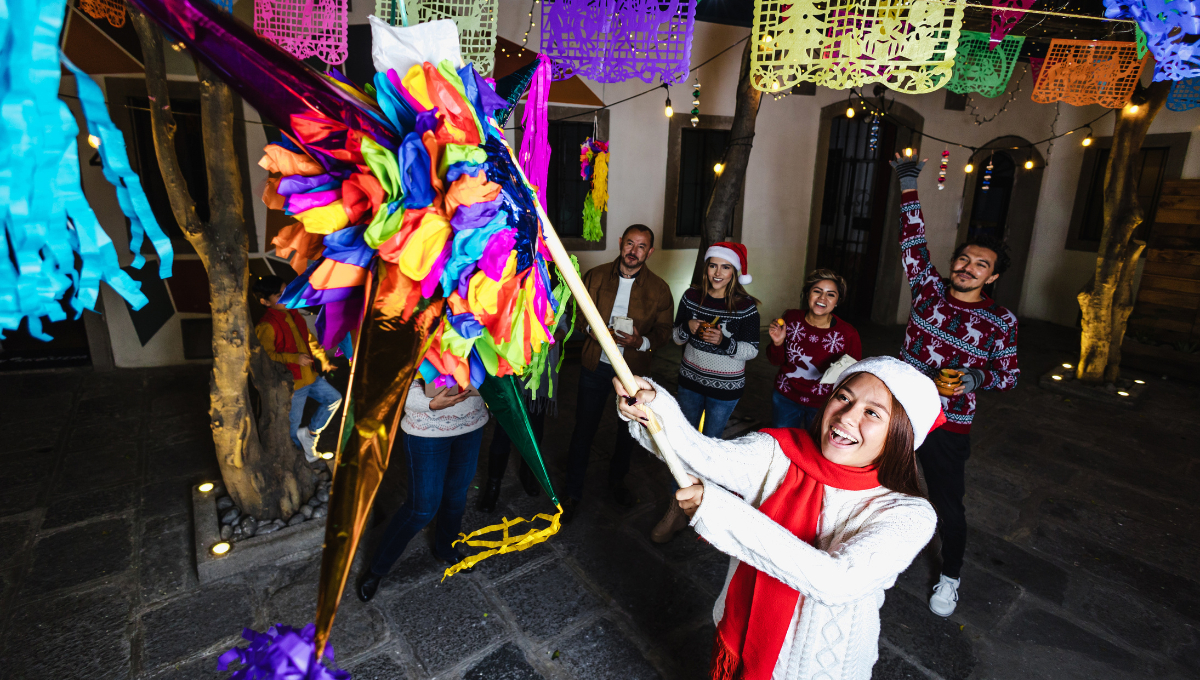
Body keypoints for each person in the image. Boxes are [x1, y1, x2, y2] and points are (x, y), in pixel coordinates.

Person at [614, 356, 941, 680]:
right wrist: (654, 409)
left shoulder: (908, 515)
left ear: (901, 434)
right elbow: (705, 457)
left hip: (817, 668)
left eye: (872, 412)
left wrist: (722, 510)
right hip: (740, 629)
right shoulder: (780, 451)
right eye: (843, 396)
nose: (846, 417)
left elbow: (838, 580)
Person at [890, 154, 1020, 618]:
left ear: (993, 275)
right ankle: (875, 554)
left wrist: (975, 377)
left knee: (948, 502)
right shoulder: (927, 288)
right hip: (901, 407)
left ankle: (950, 577)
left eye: (979, 264)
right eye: (963, 259)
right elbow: (913, 239)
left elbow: (1008, 375)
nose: (967, 267)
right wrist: (908, 184)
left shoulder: (999, 321)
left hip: (950, 420)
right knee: (877, 482)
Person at [650, 242, 760, 543]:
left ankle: (704, 511)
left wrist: (723, 341)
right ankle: (675, 509)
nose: (718, 273)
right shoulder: (691, 297)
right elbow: (675, 338)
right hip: (690, 381)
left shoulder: (744, 306)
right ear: (706, 267)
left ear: (735, 271)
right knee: (681, 446)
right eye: (713, 265)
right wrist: (688, 325)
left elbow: (751, 351)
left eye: (725, 267)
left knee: (710, 449)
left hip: (725, 389)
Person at [563, 224, 674, 522]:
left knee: (627, 433)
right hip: (594, 366)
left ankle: (617, 482)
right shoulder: (596, 276)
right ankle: (572, 491)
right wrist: (594, 332)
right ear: (620, 243)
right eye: (629, 243)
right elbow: (575, 311)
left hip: (633, 375)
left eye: (641, 246)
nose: (633, 251)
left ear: (649, 252)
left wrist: (641, 342)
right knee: (583, 428)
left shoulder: (660, 288)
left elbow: (664, 331)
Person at [357, 378, 488, 601]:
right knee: (422, 508)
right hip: (426, 428)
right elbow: (387, 378)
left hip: (471, 423)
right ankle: (377, 568)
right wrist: (425, 403)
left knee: (456, 495)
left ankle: (446, 550)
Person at [477, 313, 568, 512]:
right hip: (513, 372)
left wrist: (554, 337)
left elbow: (564, 326)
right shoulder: (513, 287)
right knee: (503, 433)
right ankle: (493, 486)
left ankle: (528, 475)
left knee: (534, 430)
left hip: (540, 375)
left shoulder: (553, 291)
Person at [253, 276, 342, 463]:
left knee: (334, 399)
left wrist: (323, 359)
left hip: (311, 375)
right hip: (294, 384)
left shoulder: (293, 313)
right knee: (291, 426)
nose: (287, 296)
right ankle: (298, 459)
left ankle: (310, 435)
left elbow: (308, 338)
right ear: (265, 302)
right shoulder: (266, 325)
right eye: (279, 294)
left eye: (288, 291)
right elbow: (265, 357)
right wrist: (294, 358)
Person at [768, 269, 862, 429]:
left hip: (823, 404)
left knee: (816, 448)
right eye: (817, 291)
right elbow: (775, 360)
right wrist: (777, 343)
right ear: (807, 294)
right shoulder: (790, 318)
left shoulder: (848, 334)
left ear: (837, 301)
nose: (822, 298)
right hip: (786, 397)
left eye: (830, 294)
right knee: (783, 445)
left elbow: (854, 375)